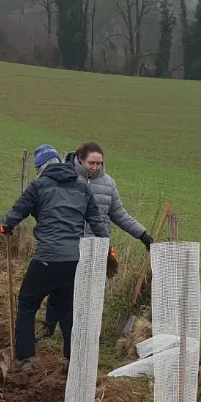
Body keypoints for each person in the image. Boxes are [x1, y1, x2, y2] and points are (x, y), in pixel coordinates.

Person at [0, 144, 110, 371]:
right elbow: (98, 222)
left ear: (40, 167)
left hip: (47, 258)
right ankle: (73, 360)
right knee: (67, 309)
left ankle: (23, 358)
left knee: (27, 303)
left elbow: (17, 212)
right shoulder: (81, 187)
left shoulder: (39, 185)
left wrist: (5, 226)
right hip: (73, 261)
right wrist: (107, 249)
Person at [41, 141, 153, 337]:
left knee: (94, 291)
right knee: (62, 288)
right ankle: (50, 326)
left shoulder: (108, 184)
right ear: (80, 159)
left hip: (98, 246)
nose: (95, 167)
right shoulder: (66, 178)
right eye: (91, 163)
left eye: (99, 164)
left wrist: (143, 235)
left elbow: (119, 213)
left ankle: (90, 333)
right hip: (69, 244)